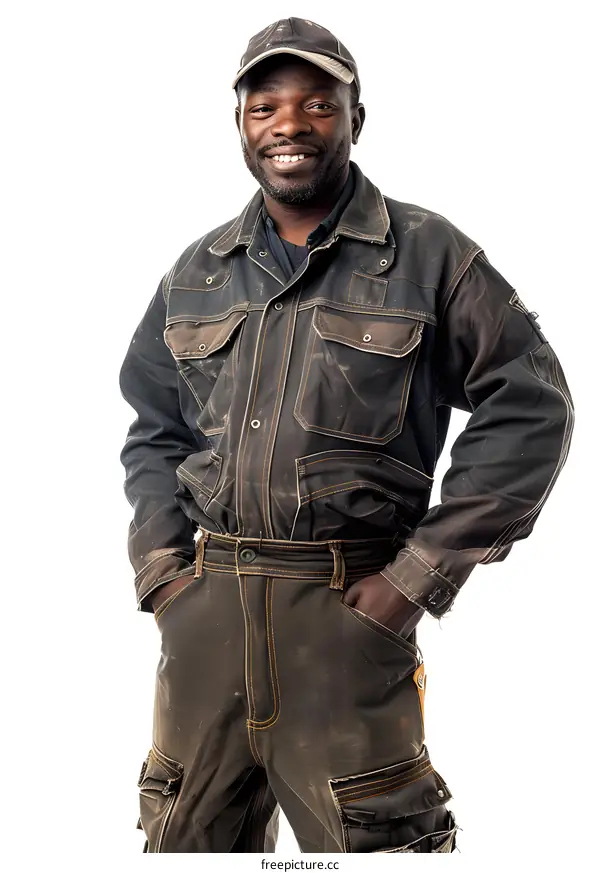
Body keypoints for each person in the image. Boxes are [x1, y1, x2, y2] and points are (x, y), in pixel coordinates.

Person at [119, 17, 573, 854]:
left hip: (347, 616)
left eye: (318, 103)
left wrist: (416, 578)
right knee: (182, 839)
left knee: (379, 840)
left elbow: (532, 405)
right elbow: (152, 429)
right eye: (265, 107)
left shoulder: (430, 255)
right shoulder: (197, 272)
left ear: (356, 119)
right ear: (242, 126)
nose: (288, 124)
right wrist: (164, 578)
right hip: (204, 620)